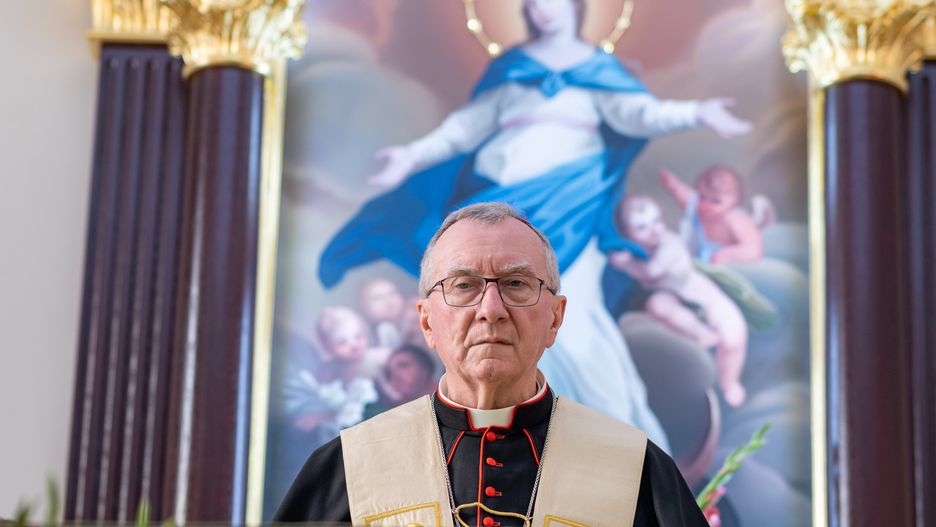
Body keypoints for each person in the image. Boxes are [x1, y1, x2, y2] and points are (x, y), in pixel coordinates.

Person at [317, 0, 750, 452]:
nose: (543, 9)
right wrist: (412, 155)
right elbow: (466, 127)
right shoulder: (514, 68)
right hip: (503, 209)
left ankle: (620, 452)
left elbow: (640, 113)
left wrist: (698, 113)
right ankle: (523, 446)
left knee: (575, 327)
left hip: (571, 209)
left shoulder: (595, 69)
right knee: (492, 322)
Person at [276, 202, 708, 526]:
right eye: (464, 285)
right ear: (426, 320)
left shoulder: (635, 468)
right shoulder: (350, 465)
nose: (491, 310)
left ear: (554, 318)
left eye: (516, 283)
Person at [610, 196, 748, 407]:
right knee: (659, 306)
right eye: (642, 227)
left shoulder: (669, 243)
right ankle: (702, 336)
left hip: (695, 291)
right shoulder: (634, 250)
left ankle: (730, 382)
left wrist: (625, 264)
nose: (654, 230)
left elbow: (652, 273)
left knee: (733, 334)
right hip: (668, 295)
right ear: (627, 234)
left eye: (656, 221)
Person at [659, 166, 772, 265]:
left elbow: (753, 251)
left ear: (736, 200)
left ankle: (760, 219)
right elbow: (687, 198)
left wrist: (726, 255)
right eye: (702, 197)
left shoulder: (735, 220)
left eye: (715, 201)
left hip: (727, 262)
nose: (706, 205)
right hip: (702, 257)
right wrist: (674, 186)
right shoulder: (698, 207)